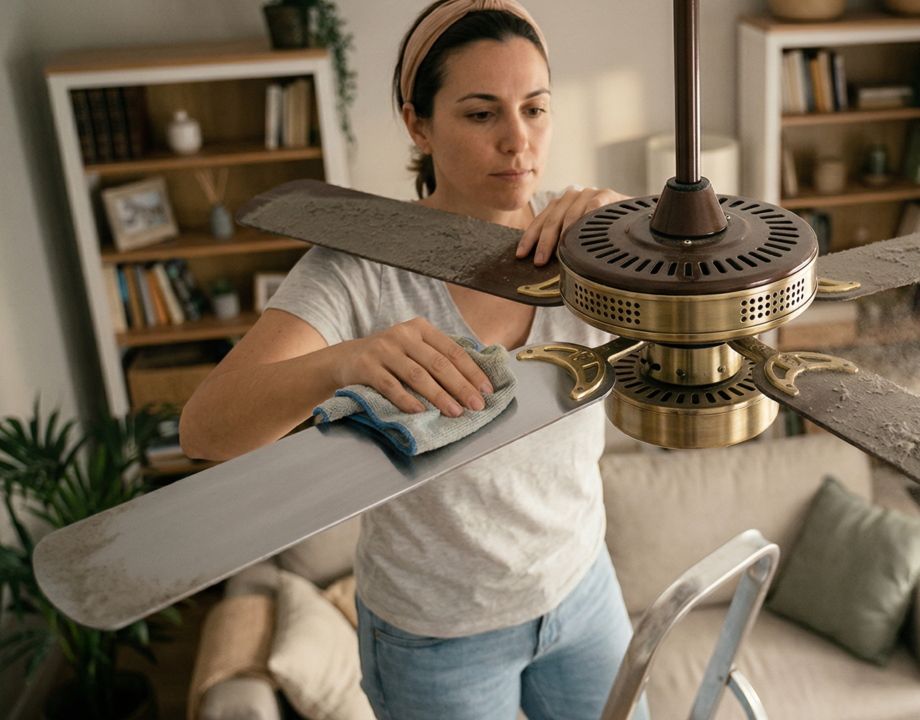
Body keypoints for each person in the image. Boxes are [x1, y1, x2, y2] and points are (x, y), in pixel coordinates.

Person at [180, 2, 648, 718]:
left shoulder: (589, 239)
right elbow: (205, 430)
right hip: (436, 641)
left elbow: (707, 351)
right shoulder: (359, 267)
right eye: (481, 114)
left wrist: (640, 239)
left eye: (535, 108)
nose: (518, 142)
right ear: (417, 124)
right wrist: (345, 362)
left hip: (583, 594)